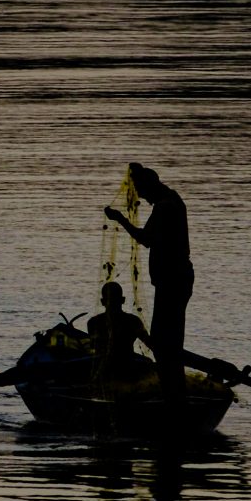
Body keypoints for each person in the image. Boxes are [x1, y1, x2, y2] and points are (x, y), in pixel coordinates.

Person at [104, 163, 194, 408]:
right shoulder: (174, 198)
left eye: (142, 192)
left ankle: (173, 398)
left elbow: (145, 240)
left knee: (164, 343)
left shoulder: (165, 207)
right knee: (170, 341)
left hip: (173, 281)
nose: (141, 198)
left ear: (151, 186)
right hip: (177, 279)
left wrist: (120, 219)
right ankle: (175, 393)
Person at [87, 281, 151, 380]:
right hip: (128, 366)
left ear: (103, 302)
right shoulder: (133, 321)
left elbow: (93, 347)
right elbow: (149, 343)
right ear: (123, 300)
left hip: (103, 371)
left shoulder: (93, 323)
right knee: (148, 363)